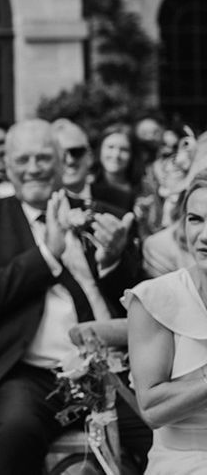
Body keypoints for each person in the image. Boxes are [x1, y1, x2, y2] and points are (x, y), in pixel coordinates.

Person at [0, 119, 151, 475]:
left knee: (164, 433)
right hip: (30, 376)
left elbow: (140, 300)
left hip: (109, 373)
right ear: (7, 165)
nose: (33, 169)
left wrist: (114, 263)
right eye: (23, 160)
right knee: (14, 436)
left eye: (44, 158)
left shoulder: (103, 215)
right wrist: (47, 254)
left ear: (61, 161)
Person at [125, 171, 207, 473]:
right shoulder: (156, 299)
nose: (204, 235)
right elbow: (153, 408)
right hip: (186, 460)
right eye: (195, 219)